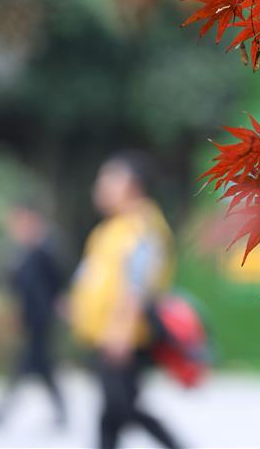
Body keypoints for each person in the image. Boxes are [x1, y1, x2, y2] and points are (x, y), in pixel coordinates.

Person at [69, 152, 181, 449]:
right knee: (113, 411)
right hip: (104, 336)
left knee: (121, 408)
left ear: (132, 184)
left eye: (107, 179)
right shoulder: (109, 229)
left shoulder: (142, 227)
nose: (99, 186)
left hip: (125, 338)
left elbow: (138, 286)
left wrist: (121, 332)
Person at [0, 199, 67, 427]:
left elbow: (58, 278)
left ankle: (1, 412)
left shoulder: (46, 244)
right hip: (30, 316)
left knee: (26, 364)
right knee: (41, 367)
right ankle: (60, 410)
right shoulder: (22, 248)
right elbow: (18, 283)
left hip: (44, 317)